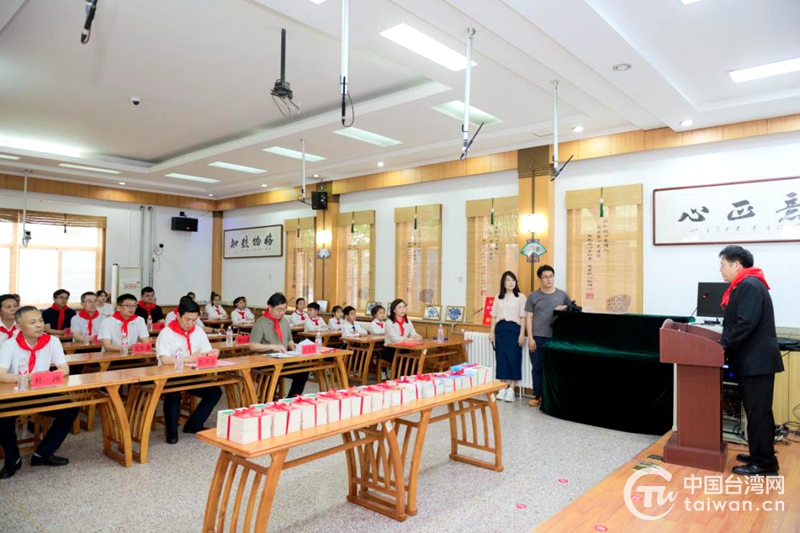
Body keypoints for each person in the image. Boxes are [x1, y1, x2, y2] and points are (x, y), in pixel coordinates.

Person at [718, 246, 784, 476]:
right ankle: (760, 453)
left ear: (736, 265)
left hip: (757, 363)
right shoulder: (747, 284)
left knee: (758, 412)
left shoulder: (749, 285)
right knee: (756, 411)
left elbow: (745, 323)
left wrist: (723, 344)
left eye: (723, 265)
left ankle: (764, 463)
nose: (720, 270)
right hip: (754, 361)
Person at [0, 306, 77, 479]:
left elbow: (64, 369)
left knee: (70, 410)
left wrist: (48, 376)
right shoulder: (9, 344)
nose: (39, 325)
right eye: (33, 322)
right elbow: (1, 375)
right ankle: (13, 459)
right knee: (2, 418)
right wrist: (28, 378)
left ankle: (43, 453)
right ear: (19, 326)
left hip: (42, 390)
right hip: (15, 392)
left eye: (40, 321)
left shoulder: (52, 341)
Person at [155, 299, 222, 444]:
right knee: (173, 394)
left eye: (194, 320)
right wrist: (189, 359)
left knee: (214, 392)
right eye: (187, 319)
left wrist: (213, 353)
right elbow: (165, 359)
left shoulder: (198, 331)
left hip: (192, 374)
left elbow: (205, 351)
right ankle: (172, 433)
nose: (190, 323)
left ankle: (193, 425)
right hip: (170, 376)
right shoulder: (167, 333)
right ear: (178, 315)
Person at [525, 265, 572, 407]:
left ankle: (553, 398)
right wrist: (530, 338)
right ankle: (538, 396)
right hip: (537, 337)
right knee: (537, 368)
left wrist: (565, 308)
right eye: (545, 277)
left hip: (555, 338)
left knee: (554, 369)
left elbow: (573, 311)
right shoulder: (533, 296)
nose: (548, 279)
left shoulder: (562, 295)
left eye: (551, 276)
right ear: (540, 279)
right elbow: (528, 317)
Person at [250, 293, 308, 397]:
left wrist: (293, 345)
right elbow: (253, 345)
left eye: (284, 309)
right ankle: (269, 400)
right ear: (269, 307)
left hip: (282, 359)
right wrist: (272, 346)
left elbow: (289, 340)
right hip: (265, 361)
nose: (282, 312)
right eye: (279, 309)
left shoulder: (284, 321)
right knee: (272, 380)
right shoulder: (261, 323)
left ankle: (291, 400)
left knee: (303, 371)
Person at [489, 272, 527, 403]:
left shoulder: (521, 297)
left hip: (514, 329)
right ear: (503, 283)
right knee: (501, 358)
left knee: (514, 358)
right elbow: (494, 316)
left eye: (513, 280)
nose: (511, 283)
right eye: (508, 280)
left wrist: (522, 334)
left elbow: (523, 317)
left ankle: (511, 389)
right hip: (500, 329)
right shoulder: (498, 297)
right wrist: (491, 333)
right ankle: (502, 387)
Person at [383, 299, 422, 368]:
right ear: (394, 310)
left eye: (404, 307)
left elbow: (413, 333)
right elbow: (395, 339)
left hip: (403, 349)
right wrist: (410, 339)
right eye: (400, 307)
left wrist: (417, 337)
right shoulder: (389, 322)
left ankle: (412, 375)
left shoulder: (408, 321)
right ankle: (398, 375)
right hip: (391, 349)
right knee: (403, 362)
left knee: (413, 362)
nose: (403, 309)